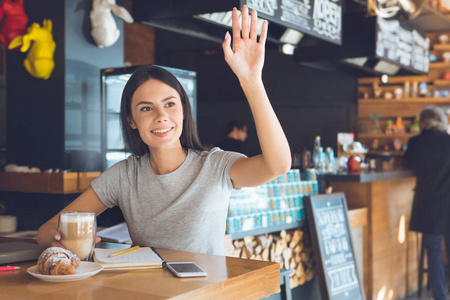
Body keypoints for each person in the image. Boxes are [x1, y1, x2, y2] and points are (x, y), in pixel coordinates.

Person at [36, 6, 291, 256]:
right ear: (131, 120)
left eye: (170, 104)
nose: (161, 117)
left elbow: (277, 166)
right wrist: (57, 240)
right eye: (146, 108)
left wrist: (252, 80)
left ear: (183, 111)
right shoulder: (124, 176)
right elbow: (46, 229)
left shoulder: (215, 165)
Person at [403, 106, 450, 300]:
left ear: (423, 123)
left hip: (429, 204)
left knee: (433, 251)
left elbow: (407, 165)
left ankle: (440, 296)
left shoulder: (415, 143)